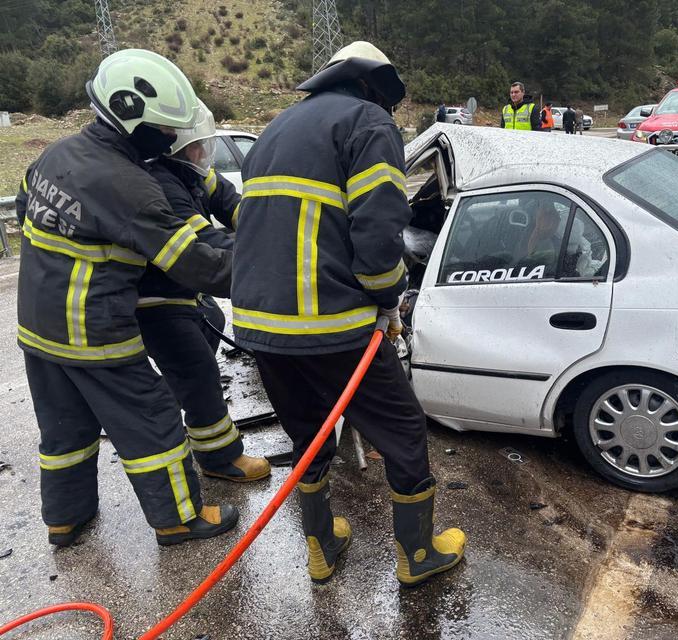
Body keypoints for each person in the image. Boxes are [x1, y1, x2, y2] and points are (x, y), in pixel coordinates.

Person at [232, 41, 466, 586]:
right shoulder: (367, 124)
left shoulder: (273, 131)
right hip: (334, 326)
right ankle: (417, 554)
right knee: (404, 429)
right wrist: (389, 297)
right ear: (372, 88)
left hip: (262, 327)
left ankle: (322, 546)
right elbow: (379, 229)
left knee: (310, 436)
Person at [15, 49, 239, 547]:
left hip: (37, 325)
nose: (169, 139)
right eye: (163, 130)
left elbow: (29, 207)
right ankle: (179, 518)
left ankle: (65, 518)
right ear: (133, 121)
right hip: (92, 329)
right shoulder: (129, 187)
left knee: (65, 429)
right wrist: (273, 272)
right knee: (152, 415)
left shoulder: (55, 154)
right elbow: (197, 264)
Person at [137, 101, 271, 484]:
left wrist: (267, 226)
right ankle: (219, 457)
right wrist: (266, 253)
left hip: (181, 288)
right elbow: (206, 243)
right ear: (176, 148)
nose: (204, 153)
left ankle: (185, 404)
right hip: (154, 297)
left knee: (210, 319)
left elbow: (233, 206)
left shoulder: (194, 174)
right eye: (199, 146)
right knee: (197, 370)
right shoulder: (162, 183)